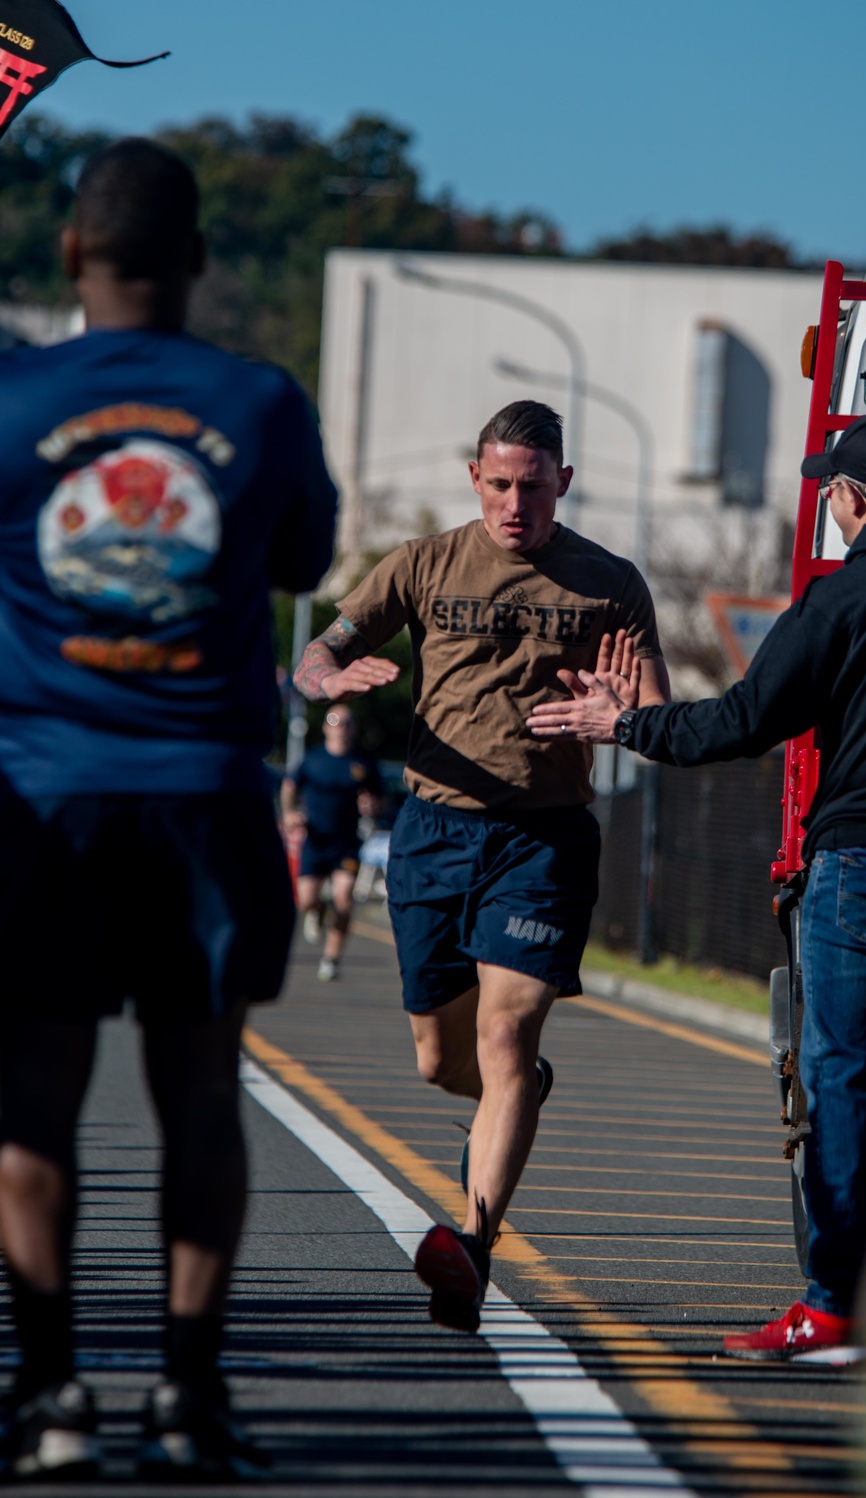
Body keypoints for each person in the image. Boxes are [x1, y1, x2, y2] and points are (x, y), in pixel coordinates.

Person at [0, 138, 336, 1478]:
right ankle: (190, 1399)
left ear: (72, 254)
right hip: (205, 791)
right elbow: (304, 556)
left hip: (42, 793)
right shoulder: (259, 402)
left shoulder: (13, 398)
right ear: (200, 260)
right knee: (201, 1091)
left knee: (34, 1095)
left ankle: (49, 1395)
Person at [528, 413, 866, 1360]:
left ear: (848, 501)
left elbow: (742, 723)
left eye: (831, 490)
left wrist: (623, 725)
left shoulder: (845, 599)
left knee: (845, 1075)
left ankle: (836, 1304)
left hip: (863, 864)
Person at [294, 399, 670, 1330]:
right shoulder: (423, 564)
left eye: (533, 488)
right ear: (475, 480)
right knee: (439, 1061)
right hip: (434, 830)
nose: (515, 505)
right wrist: (327, 678)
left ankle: (471, 1241)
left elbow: (658, 716)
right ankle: (516, 1097)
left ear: (563, 485)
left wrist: (622, 709)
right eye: (499, 485)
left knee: (507, 1035)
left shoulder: (610, 582)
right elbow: (320, 652)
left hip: (543, 840)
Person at [281, 704, 382, 980]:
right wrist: (290, 812)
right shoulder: (312, 759)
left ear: (354, 727)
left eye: (347, 721)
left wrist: (373, 806)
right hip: (315, 840)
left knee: (344, 900)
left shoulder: (363, 763)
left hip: (346, 842)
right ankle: (317, 910)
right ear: (326, 726)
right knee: (306, 901)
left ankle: (331, 959)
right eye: (334, 720)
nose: (341, 726)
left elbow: (379, 799)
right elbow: (290, 788)